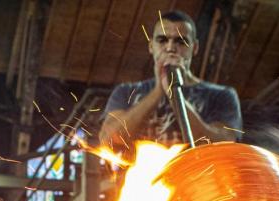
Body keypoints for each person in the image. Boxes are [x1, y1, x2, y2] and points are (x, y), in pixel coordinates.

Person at [99, 10, 243, 152]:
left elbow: (223, 147)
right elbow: (109, 139)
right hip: (140, 174)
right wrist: (157, 92)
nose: (170, 48)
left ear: (195, 48)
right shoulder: (126, 91)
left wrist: (174, 93)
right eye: (162, 40)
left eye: (181, 41)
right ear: (151, 46)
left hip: (195, 175)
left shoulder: (222, 95)